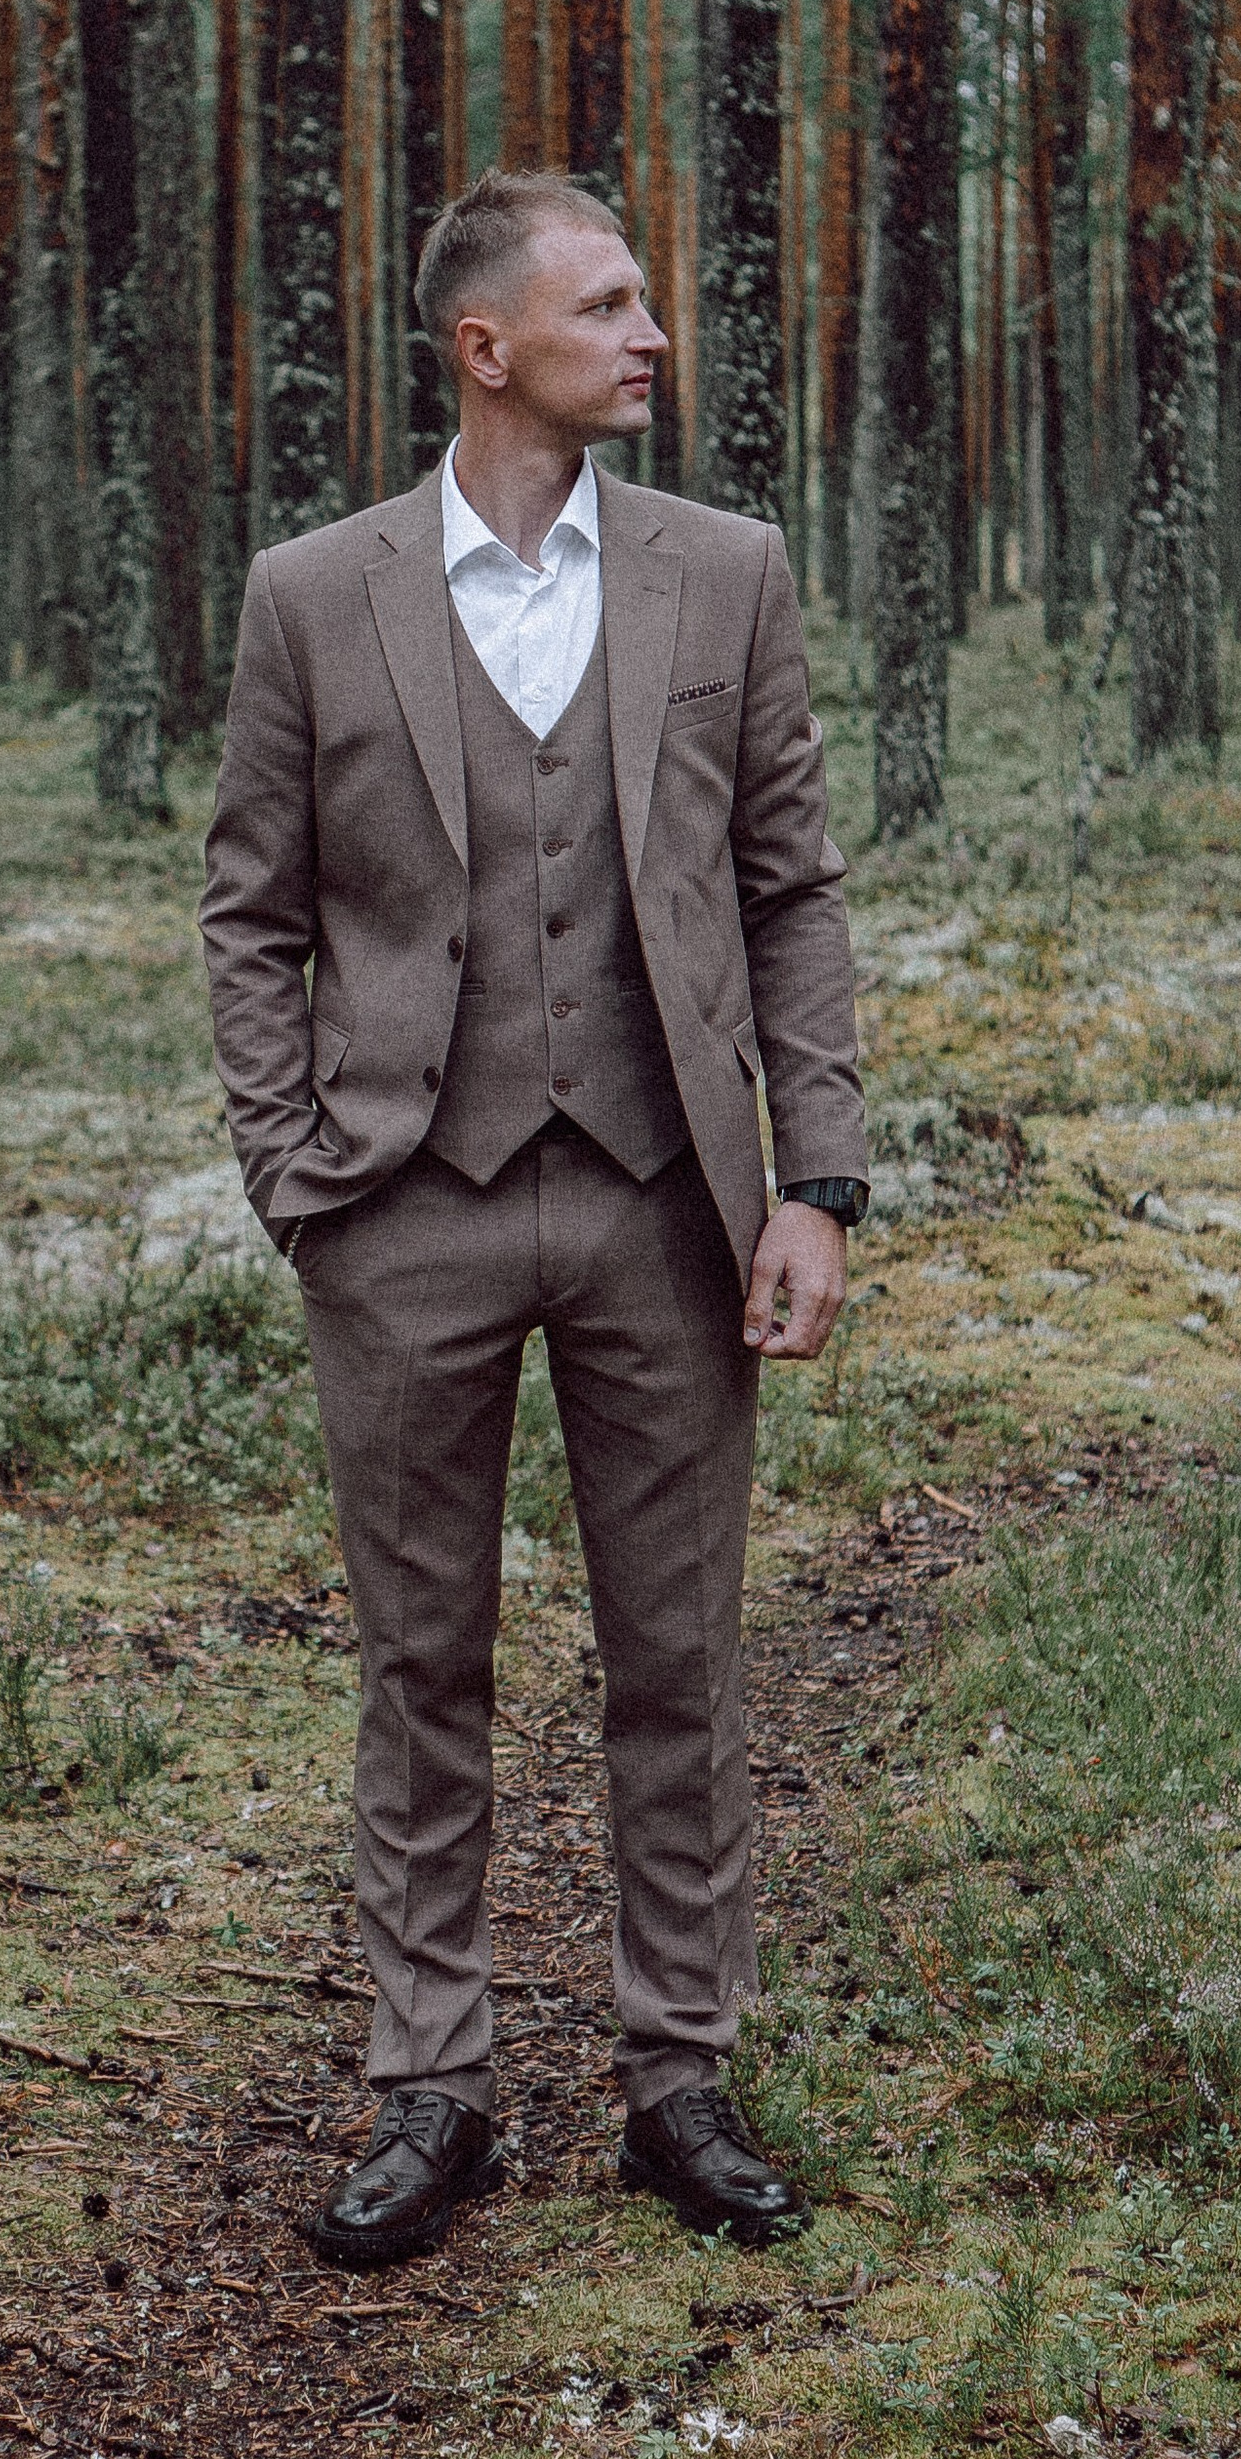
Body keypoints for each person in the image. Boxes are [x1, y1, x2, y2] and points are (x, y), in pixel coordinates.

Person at [200, 169, 869, 2267]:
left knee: (675, 1658)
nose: (649, 329)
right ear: (483, 348)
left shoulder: (723, 573)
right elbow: (248, 910)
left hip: (673, 1202)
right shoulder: (313, 595)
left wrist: (816, 1184)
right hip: (401, 1208)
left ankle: (678, 2077)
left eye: (646, 296)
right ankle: (432, 2090)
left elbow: (787, 890)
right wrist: (296, 1174)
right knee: (424, 1666)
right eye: (604, 303)